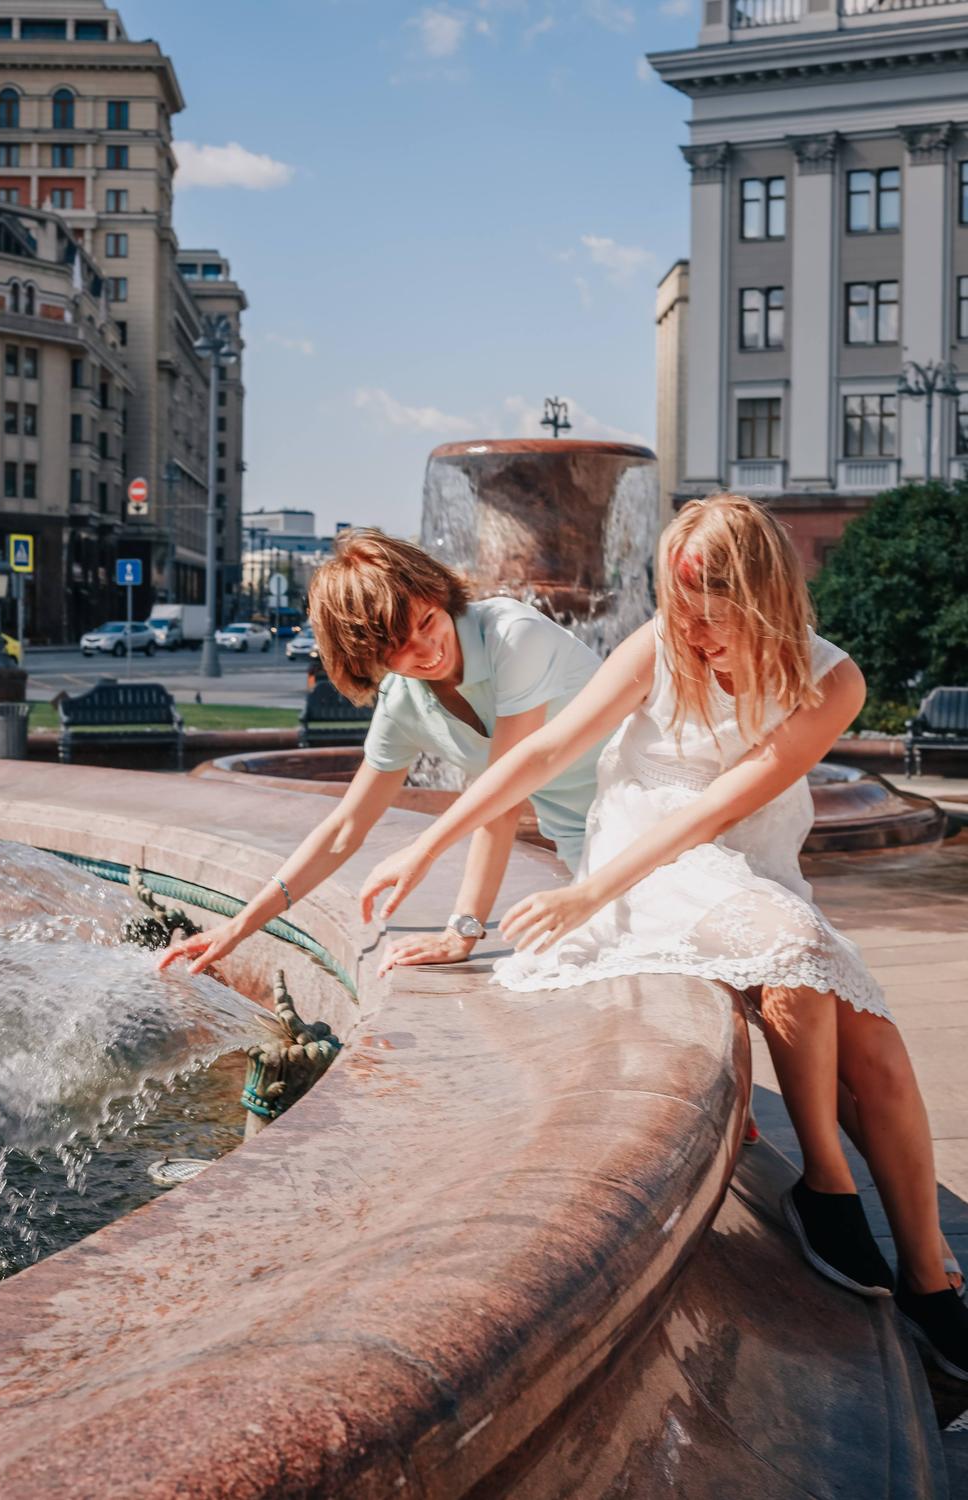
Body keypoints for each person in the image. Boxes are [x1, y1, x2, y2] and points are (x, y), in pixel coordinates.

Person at [360, 494, 968, 1380]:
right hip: (644, 854)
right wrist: (426, 845)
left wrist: (591, 892)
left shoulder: (834, 681)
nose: (694, 635)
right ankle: (827, 1188)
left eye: (713, 619)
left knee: (874, 1050)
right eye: (681, 613)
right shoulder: (657, 648)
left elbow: (734, 802)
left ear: (762, 598)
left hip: (743, 861)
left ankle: (928, 1280)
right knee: (794, 949)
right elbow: (537, 753)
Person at [159, 529, 607, 980]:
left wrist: (457, 925)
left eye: (429, 621)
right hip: (582, 842)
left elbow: (504, 793)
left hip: (641, 810)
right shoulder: (403, 702)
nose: (428, 651)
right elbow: (344, 829)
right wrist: (238, 927)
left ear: (440, 596)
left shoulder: (513, 635)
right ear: (367, 658)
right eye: (399, 648)